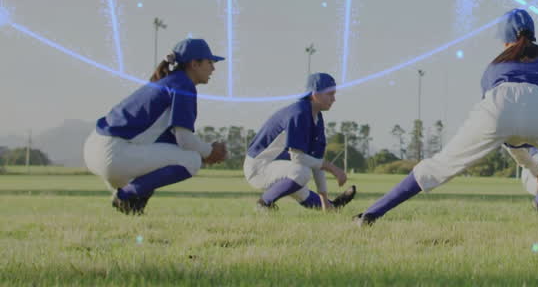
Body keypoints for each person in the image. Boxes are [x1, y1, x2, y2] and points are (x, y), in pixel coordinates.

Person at [355, 9, 538, 227]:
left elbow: (507, 130)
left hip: (496, 106)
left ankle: (371, 213)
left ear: (504, 40)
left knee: (440, 166)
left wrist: (533, 167)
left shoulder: (494, 66)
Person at [82, 38, 228, 214]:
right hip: (114, 155)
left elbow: (172, 142)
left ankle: (131, 202)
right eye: (209, 62)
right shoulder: (183, 85)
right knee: (192, 160)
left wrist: (204, 151)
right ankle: (126, 195)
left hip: (98, 149)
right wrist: (209, 151)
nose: (213, 68)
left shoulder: (170, 82)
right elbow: (185, 139)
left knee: (180, 156)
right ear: (194, 64)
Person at [244, 72, 356, 211]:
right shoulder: (299, 113)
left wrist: (324, 201)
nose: (334, 99)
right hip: (259, 168)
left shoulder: (316, 117)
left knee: (303, 189)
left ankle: (333, 206)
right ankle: (263, 204)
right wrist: (333, 168)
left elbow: (317, 161)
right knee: (301, 172)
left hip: (277, 167)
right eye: (330, 94)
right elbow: (298, 157)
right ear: (315, 94)